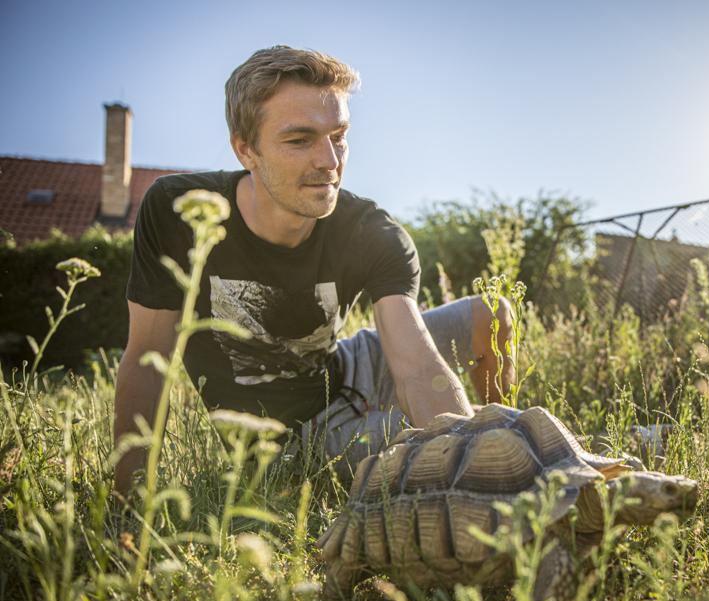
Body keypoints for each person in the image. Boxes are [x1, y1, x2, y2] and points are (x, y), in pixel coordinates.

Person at [113, 46, 513, 496]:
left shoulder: (371, 231)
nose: (330, 161)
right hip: (293, 441)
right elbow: (149, 360)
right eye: (300, 140)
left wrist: (487, 451)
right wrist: (127, 504)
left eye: (338, 135)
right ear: (246, 149)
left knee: (491, 317)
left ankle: (508, 465)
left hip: (348, 366)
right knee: (419, 442)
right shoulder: (178, 211)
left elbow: (417, 366)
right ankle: (489, 462)